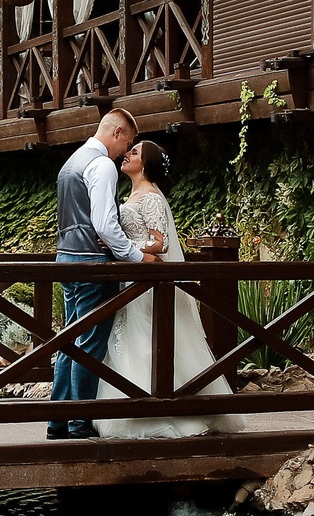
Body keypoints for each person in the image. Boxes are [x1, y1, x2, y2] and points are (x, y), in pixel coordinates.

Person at [94, 139, 243, 439]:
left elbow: (159, 243)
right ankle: (133, 407)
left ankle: (162, 410)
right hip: (132, 280)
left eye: (134, 152)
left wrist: (124, 248)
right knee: (131, 339)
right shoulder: (133, 194)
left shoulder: (150, 197)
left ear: (145, 164)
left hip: (149, 283)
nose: (126, 154)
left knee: (148, 338)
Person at [48, 109, 156, 439]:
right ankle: (80, 423)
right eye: (129, 142)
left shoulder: (72, 162)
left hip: (66, 257)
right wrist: (138, 256)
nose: (126, 150)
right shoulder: (102, 165)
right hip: (93, 264)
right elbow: (105, 224)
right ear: (118, 132)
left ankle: (58, 422)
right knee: (89, 344)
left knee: (70, 340)